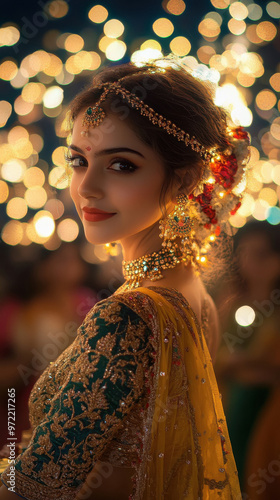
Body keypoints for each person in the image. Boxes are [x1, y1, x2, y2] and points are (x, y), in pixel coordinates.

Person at [0, 55, 250, 499]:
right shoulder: (195, 297)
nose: (87, 187)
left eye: (121, 165)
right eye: (79, 160)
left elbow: (33, 488)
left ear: (185, 178)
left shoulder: (128, 315)